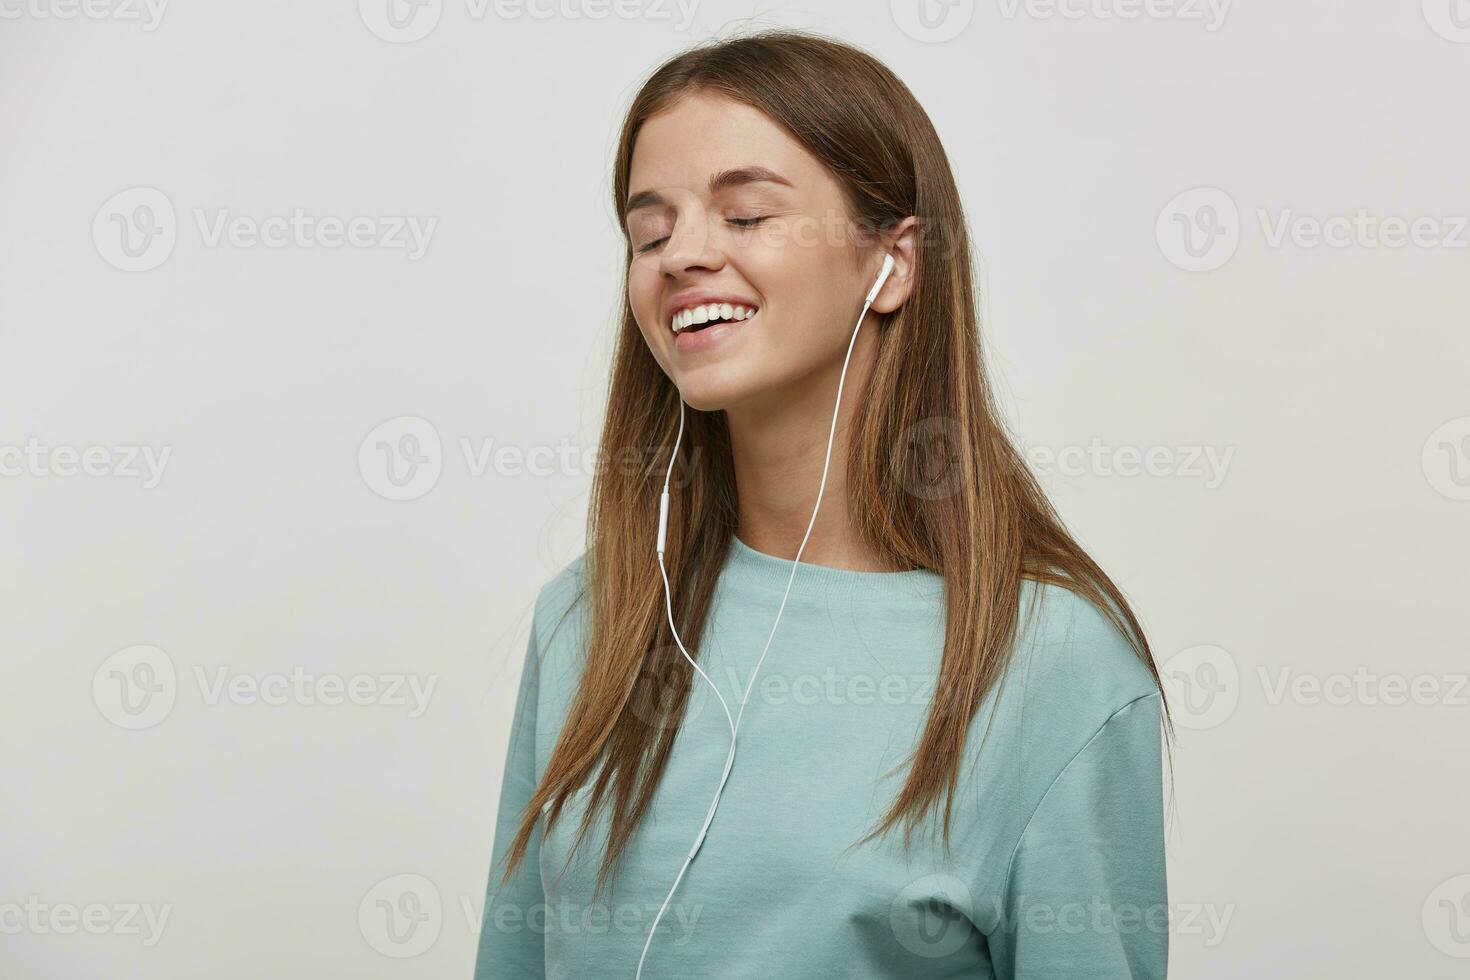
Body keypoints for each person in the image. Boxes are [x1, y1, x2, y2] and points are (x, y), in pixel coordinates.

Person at [475, 28, 1174, 980]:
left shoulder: (1051, 660)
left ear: (894, 263)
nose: (683, 255)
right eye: (651, 231)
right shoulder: (587, 618)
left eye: (747, 215)